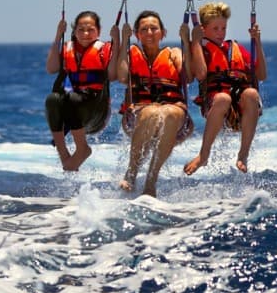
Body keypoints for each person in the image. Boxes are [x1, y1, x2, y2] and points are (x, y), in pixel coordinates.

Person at [183, 1, 267, 175]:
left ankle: (243, 155)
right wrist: (196, 42)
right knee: (223, 98)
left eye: (223, 28)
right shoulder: (200, 48)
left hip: (239, 113)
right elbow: (200, 74)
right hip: (215, 106)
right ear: (204, 29)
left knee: (251, 93)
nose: (221, 33)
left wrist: (257, 42)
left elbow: (261, 75)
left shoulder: (235, 48)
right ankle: (203, 155)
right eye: (215, 29)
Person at [116, 10, 194, 197]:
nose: (149, 32)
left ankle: (151, 180)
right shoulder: (130, 53)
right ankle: (132, 172)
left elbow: (189, 77)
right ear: (137, 34)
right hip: (139, 114)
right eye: (144, 29)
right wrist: (122, 40)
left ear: (163, 33)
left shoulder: (174, 53)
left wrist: (187, 42)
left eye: (154, 28)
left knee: (167, 113)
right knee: (152, 112)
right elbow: (121, 77)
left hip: (175, 113)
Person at [45, 11, 120, 171]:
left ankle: (82, 149)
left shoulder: (104, 49)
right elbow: (51, 68)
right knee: (52, 99)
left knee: (71, 99)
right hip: (72, 108)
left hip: (96, 110)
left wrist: (117, 41)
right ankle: (63, 153)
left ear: (98, 32)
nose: (85, 34)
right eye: (81, 29)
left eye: (90, 29)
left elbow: (113, 76)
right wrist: (58, 35)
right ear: (74, 31)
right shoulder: (67, 49)